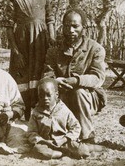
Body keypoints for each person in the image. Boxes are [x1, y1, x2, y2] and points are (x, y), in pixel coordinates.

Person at [44, 8, 107, 143]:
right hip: (61, 92)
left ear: (83, 27)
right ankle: (57, 135)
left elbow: (98, 77)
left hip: (89, 96)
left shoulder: (95, 49)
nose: (71, 30)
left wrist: (77, 80)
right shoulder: (54, 50)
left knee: (78, 92)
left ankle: (87, 136)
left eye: (75, 26)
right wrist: (55, 82)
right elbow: (47, 75)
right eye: (67, 26)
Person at [3, 0, 55, 120]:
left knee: (40, 75)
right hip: (22, 43)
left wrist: (52, 40)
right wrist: (16, 51)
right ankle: (22, 114)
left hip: (41, 43)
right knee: (22, 77)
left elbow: (50, 20)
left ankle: (40, 116)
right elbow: (8, 27)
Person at [27, 78, 90, 159]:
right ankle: (62, 154)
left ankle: (68, 151)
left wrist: (64, 139)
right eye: (41, 96)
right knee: (38, 150)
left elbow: (76, 127)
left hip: (63, 141)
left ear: (56, 94)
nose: (45, 98)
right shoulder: (36, 112)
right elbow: (31, 132)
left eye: (48, 95)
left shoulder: (63, 109)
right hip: (46, 143)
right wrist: (43, 141)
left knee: (82, 151)